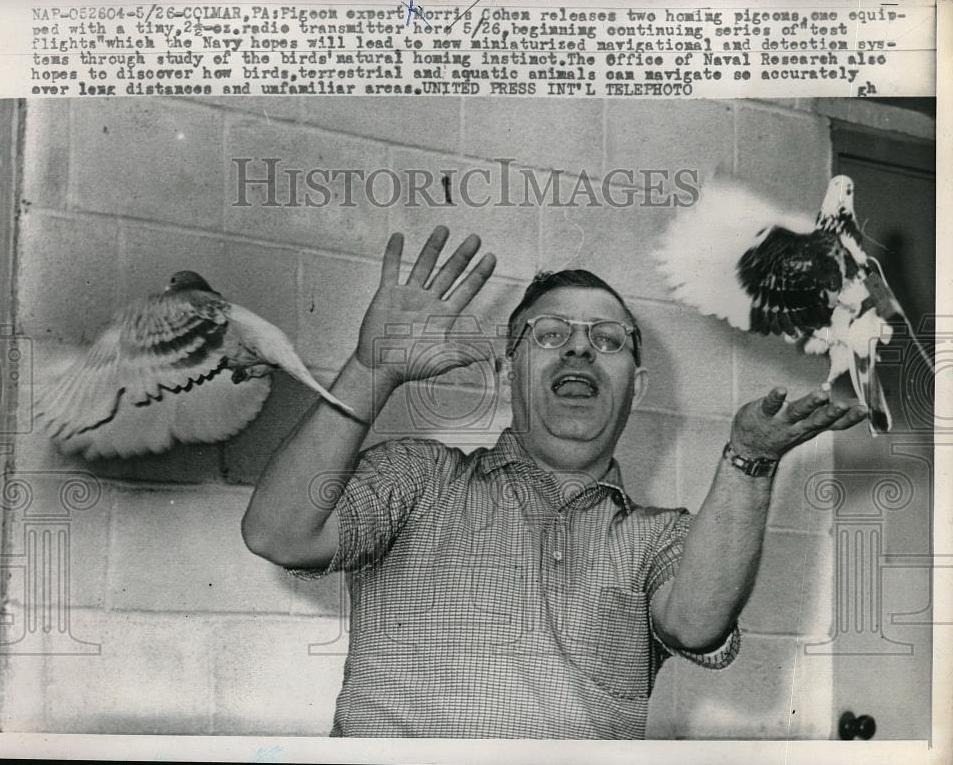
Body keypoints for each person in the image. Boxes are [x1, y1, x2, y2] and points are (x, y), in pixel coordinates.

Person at [242, 226, 868, 738]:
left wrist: (750, 460)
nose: (578, 351)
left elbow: (695, 622)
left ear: (637, 386)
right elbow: (278, 533)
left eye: (606, 339)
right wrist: (371, 369)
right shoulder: (417, 477)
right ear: (508, 368)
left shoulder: (660, 540)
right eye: (549, 336)